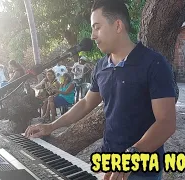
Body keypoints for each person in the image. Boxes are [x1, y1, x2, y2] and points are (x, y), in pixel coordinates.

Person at [25, 0, 176, 180]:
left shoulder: (154, 64)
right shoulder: (101, 66)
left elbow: (166, 122)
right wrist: (51, 126)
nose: (93, 35)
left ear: (118, 25)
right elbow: (86, 102)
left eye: (97, 27)